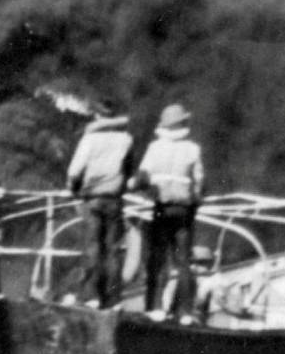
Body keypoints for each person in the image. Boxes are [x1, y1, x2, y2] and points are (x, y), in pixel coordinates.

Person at [133, 102, 204, 319]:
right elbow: (199, 181)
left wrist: (139, 187)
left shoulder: (155, 148)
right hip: (184, 210)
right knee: (183, 261)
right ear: (183, 124)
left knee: (157, 258)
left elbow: (143, 176)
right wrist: (196, 201)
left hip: (161, 207)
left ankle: (154, 307)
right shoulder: (193, 149)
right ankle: (185, 311)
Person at [67, 105, 135, 307]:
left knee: (92, 247)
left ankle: (91, 295)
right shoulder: (126, 140)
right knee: (113, 249)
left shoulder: (89, 140)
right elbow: (129, 169)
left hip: (92, 198)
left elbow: (74, 171)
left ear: (97, 118)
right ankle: (113, 298)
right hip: (114, 198)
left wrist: (72, 188)